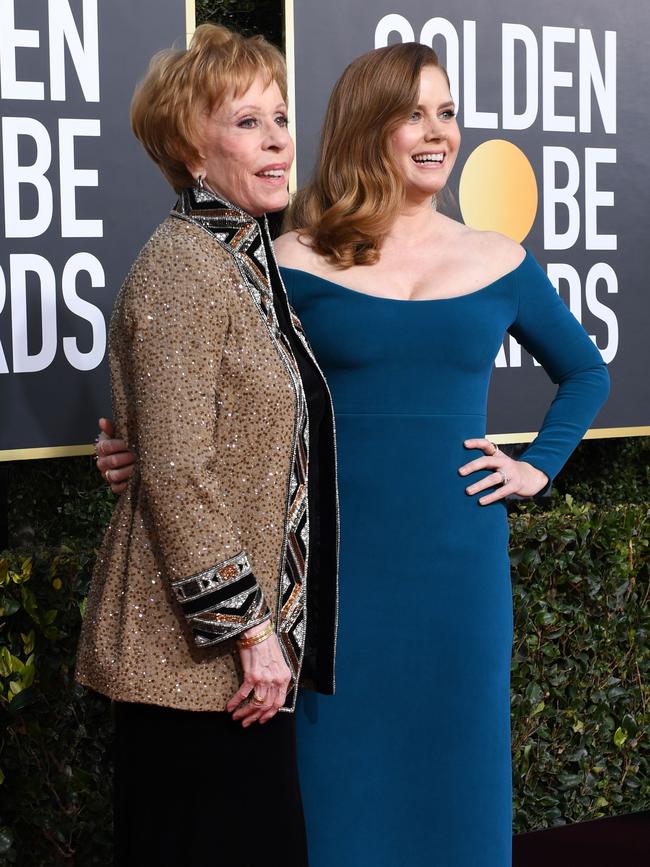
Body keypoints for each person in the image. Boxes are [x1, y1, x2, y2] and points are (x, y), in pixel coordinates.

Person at [98, 41, 610, 867]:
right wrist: (131, 441)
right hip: (327, 571)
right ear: (370, 127)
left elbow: (586, 371)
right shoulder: (289, 256)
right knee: (333, 796)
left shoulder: (502, 260)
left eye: (446, 111)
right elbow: (203, 378)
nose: (437, 131)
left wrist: (537, 466)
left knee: (459, 774)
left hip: (459, 568)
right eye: (414, 113)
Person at [76, 24, 338, 867]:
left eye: (280, 117)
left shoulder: (242, 262)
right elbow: (181, 472)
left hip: (225, 664)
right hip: (196, 662)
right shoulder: (188, 267)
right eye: (247, 122)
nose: (276, 140)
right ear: (192, 151)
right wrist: (250, 631)